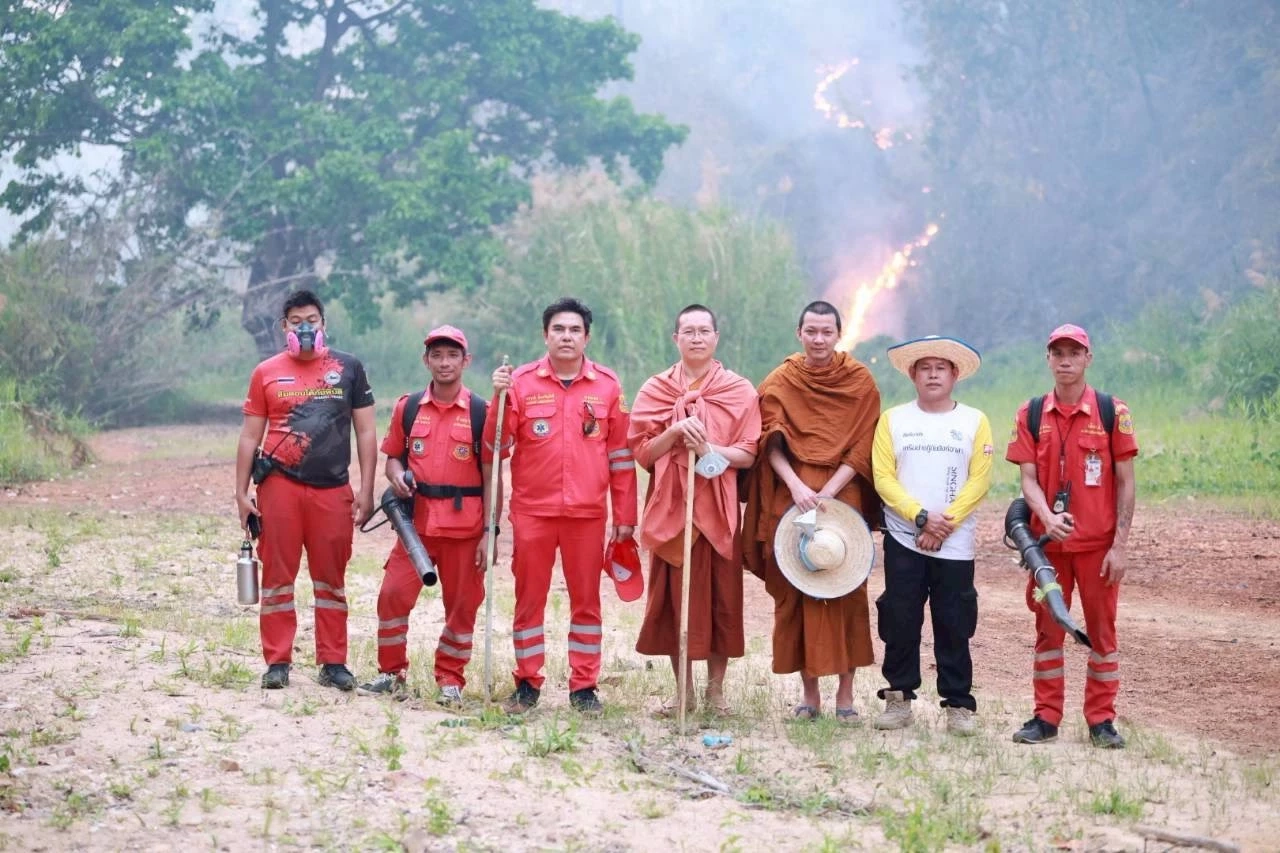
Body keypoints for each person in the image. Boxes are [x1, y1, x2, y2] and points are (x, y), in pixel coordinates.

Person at [487, 297, 637, 715]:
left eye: (574, 330)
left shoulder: (607, 386)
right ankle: (527, 683)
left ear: (586, 337)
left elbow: (621, 457)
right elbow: (497, 445)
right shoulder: (519, 382)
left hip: (587, 515)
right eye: (558, 329)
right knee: (529, 598)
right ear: (545, 335)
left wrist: (625, 516)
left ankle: (584, 686)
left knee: (586, 601)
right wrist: (498, 399)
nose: (566, 337)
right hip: (532, 512)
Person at [741, 301, 880, 722]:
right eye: (811, 331)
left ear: (839, 334)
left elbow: (864, 444)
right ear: (799, 333)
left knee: (846, 587)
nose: (819, 339)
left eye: (826, 332)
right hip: (794, 494)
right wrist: (798, 486)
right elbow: (769, 441)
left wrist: (830, 491)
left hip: (843, 495)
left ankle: (846, 696)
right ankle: (809, 696)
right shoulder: (781, 381)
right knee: (800, 587)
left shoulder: (859, 381)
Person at [234, 289, 377, 691]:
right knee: (277, 577)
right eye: (296, 322)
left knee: (330, 580)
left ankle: (333, 662)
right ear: (284, 327)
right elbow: (250, 436)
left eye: (311, 320)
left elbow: (366, 431)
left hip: (332, 488)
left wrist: (366, 489)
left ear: (323, 324)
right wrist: (241, 492)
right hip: (279, 486)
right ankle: (277, 662)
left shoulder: (348, 368)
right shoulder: (266, 372)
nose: (305, 328)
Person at [1005, 323, 1137, 749]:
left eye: (1074, 353)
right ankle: (1046, 717)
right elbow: (1027, 480)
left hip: (1098, 548)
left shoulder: (1111, 411)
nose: (1066, 360)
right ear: (1048, 359)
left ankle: (1101, 720)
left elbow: (1126, 483)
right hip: (1048, 551)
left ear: (1087, 358)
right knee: (1048, 633)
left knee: (1102, 634)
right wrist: (1045, 517)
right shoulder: (1030, 413)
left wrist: (1120, 546)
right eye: (1058, 353)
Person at [629, 304, 761, 716]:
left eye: (704, 331)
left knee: (722, 600)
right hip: (673, 511)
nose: (697, 338)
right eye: (689, 331)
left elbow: (748, 453)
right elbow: (643, 453)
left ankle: (715, 691)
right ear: (676, 339)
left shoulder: (738, 390)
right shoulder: (656, 390)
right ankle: (682, 691)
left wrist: (707, 448)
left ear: (716, 338)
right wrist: (673, 432)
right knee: (675, 601)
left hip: (717, 510)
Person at [357, 325, 492, 706]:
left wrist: (490, 532)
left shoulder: (482, 412)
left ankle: (450, 679)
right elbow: (393, 459)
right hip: (415, 527)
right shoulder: (410, 407)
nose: (444, 362)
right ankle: (391, 673)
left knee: (462, 606)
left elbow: (492, 478)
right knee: (392, 595)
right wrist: (397, 476)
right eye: (437, 355)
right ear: (426, 361)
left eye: (452, 355)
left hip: (465, 530)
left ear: (466, 361)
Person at [871, 335, 992, 735]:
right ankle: (898, 698)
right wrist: (921, 518)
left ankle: (958, 704)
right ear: (913, 375)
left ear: (955, 374)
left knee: (954, 621)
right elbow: (883, 477)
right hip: (904, 538)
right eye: (925, 368)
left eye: (941, 368)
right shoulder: (893, 420)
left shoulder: (974, 421)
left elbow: (979, 480)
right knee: (900, 618)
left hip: (955, 543)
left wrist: (945, 523)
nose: (933, 374)